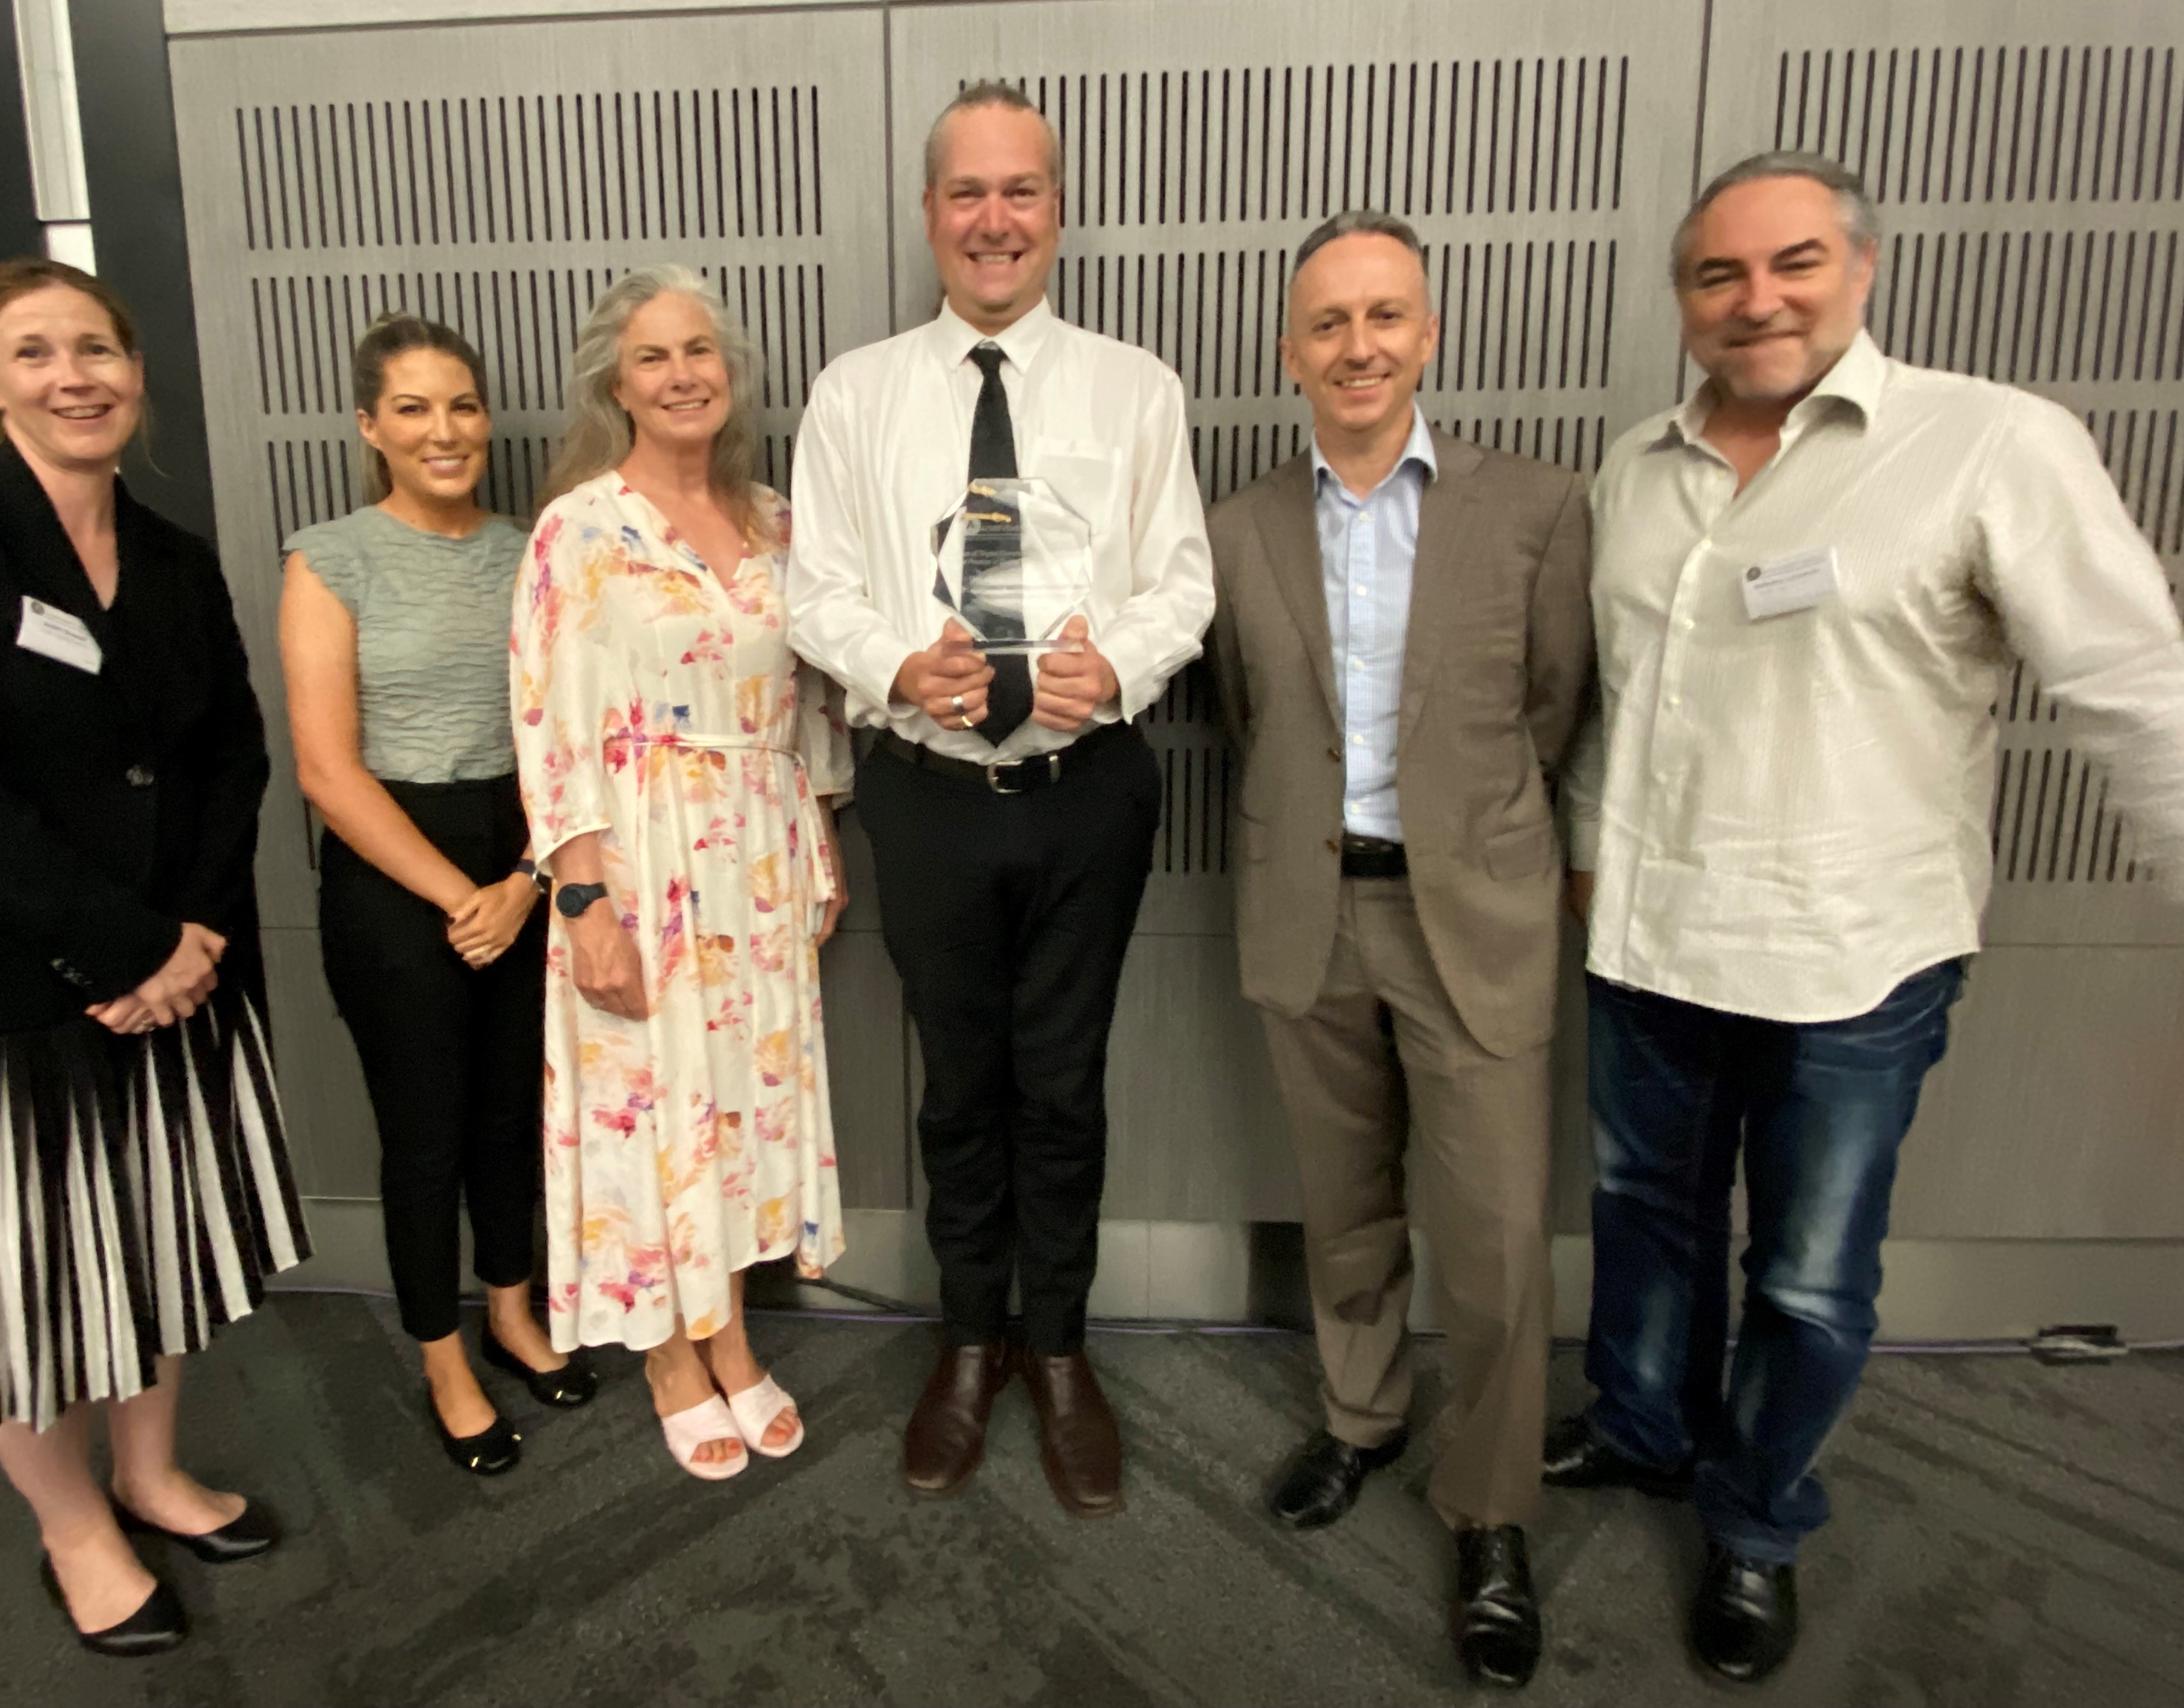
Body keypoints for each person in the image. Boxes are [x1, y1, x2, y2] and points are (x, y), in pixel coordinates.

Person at [1554, 151, 2184, 1684]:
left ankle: (1753, 1527)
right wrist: (1584, 855)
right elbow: (1624, 701)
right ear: (1683, 298)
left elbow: (2145, 696)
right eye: (1719, 275)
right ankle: (1640, 1431)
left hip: (1854, 960)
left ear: (1861, 270)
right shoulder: (1634, 466)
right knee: (1646, 1223)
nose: (1758, 301)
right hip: (1653, 944)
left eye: (1793, 263)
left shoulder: (1990, 445)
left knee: (1809, 1277)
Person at [0, 256, 309, 1658]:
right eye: (34, 352)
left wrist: (196, 937)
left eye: (96, 347)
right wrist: (128, 941)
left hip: (171, 982)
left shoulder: (172, 555)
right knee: (19, 1275)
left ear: (135, 370)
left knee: (149, 1240)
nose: (74, 376)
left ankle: (152, 1474)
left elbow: (231, 754)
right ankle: (72, 1525)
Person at [790, 82, 1216, 1518]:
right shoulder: (855, 395)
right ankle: (968, 1341)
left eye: (1020, 191)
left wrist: (1123, 665)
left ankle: (1063, 1349)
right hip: (930, 796)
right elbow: (817, 592)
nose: (994, 220)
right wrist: (901, 664)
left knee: (1065, 1085)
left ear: (1056, 209)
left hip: (1086, 791)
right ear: (927, 214)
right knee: (960, 1088)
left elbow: (1185, 586)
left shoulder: (1134, 386)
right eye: (966, 193)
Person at [1207, 211, 1592, 1688]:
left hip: (1475, 920)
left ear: (1428, 334)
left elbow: (1555, 706)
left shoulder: (1539, 508)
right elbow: (1247, 716)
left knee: (1494, 1240)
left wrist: (1462, 835)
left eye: (1385, 317)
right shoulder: (1240, 526)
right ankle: (1361, 1420)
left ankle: (1491, 1513)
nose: (1356, 346)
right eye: (1327, 323)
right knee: (1344, 1206)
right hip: (1312, 912)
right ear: (1292, 349)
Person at [512, 266, 852, 1480]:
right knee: (653, 1104)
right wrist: (584, 896)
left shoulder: (775, 520)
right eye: (654, 357)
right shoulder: (580, 528)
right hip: (640, 851)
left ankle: (732, 1331)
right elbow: (546, 720)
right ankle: (669, 1351)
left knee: (738, 1107)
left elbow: (810, 693)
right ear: (618, 381)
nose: (682, 374)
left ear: (730, 369)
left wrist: (812, 835)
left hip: (755, 852)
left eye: (699, 350)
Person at [281, 313, 598, 1477]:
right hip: (389, 867)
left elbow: (565, 736)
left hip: (521, 852)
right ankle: (443, 1357)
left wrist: (520, 880)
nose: (444, 429)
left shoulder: (533, 551)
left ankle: (511, 1314)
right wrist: (461, 892)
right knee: (425, 1136)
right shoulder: (330, 557)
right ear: (371, 427)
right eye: (412, 408)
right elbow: (325, 768)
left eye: (461, 404)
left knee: (512, 1116)